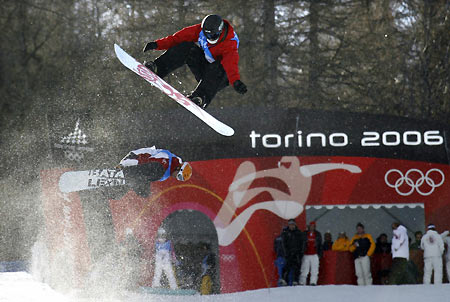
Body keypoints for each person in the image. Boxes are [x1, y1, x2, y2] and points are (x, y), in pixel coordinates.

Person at [142, 14, 247, 109]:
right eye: (206, 35)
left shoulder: (229, 43)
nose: (208, 38)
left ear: (220, 32)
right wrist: (157, 44)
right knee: (187, 46)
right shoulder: (200, 31)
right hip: (203, 69)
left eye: (212, 36)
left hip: (218, 78)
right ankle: (158, 68)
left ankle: (201, 97)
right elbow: (177, 38)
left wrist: (236, 82)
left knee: (220, 65)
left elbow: (230, 65)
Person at [118, 146, 192, 196]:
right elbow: (141, 157)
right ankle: (124, 174)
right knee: (158, 170)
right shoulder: (166, 159)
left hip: (139, 173)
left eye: (180, 179)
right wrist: (123, 164)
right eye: (179, 176)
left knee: (145, 193)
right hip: (133, 160)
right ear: (178, 168)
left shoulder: (169, 171)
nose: (176, 178)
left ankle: (123, 183)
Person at [281, 219, 305, 286]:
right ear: (288, 225)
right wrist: (286, 253)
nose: (292, 226)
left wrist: (301, 253)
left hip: (297, 253)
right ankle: (284, 280)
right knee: (286, 267)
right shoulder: (285, 233)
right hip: (288, 253)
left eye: (293, 225)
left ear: (295, 225)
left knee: (296, 268)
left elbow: (302, 243)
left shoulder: (299, 233)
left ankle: (295, 280)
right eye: (290, 225)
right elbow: (283, 244)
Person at [300, 221, 322, 286]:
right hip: (306, 254)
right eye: (311, 226)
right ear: (309, 226)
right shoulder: (305, 234)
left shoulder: (318, 234)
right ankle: (302, 282)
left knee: (314, 270)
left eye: (313, 226)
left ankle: (313, 282)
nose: (312, 227)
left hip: (314, 254)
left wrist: (319, 254)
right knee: (304, 269)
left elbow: (320, 245)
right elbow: (301, 243)